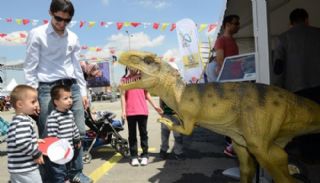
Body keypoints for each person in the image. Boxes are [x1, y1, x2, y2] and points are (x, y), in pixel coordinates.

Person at [23, 0, 92, 182]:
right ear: (50, 13)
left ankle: (75, 172)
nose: (62, 24)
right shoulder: (37, 34)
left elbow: (77, 67)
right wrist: (33, 96)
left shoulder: (73, 38)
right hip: (47, 88)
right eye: (58, 19)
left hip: (72, 87)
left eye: (66, 20)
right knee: (48, 135)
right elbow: (30, 67)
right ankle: (51, 177)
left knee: (79, 131)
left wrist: (83, 92)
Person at [273, 8, 320, 161]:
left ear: (290, 23)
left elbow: (278, 68)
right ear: (307, 20)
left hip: (296, 89)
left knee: (304, 123)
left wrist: (277, 89)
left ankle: (309, 157)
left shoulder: (282, 38)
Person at [120, 67, 163, 166]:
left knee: (143, 134)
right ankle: (134, 156)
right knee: (132, 136)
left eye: (133, 66)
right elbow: (122, 95)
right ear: (127, 67)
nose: (132, 68)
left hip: (142, 111)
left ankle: (145, 155)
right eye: (129, 66)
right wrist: (123, 111)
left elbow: (147, 94)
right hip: (130, 112)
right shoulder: (124, 80)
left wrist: (155, 106)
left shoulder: (143, 79)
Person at [214, 14, 240, 157]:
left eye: (238, 23)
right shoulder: (221, 40)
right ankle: (231, 147)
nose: (238, 25)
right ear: (227, 25)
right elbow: (220, 62)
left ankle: (232, 144)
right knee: (232, 116)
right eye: (235, 23)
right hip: (228, 84)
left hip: (236, 82)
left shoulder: (233, 41)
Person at [7, 85, 44, 183]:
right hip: (26, 169)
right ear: (20, 104)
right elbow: (22, 143)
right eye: (33, 102)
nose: (36, 104)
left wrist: (34, 140)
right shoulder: (23, 121)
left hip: (17, 168)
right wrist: (36, 154)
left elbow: (18, 140)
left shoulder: (16, 120)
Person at [45, 84, 81, 183]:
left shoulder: (69, 113)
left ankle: (66, 179)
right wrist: (58, 149)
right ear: (56, 102)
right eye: (65, 98)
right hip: (59, 153)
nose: (70, 100)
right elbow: (52, 137)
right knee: (59, 172)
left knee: (67, 170)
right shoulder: (54, 116)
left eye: (70, 97)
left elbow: (74, 127)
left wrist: (77, 139)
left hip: (68, 151)